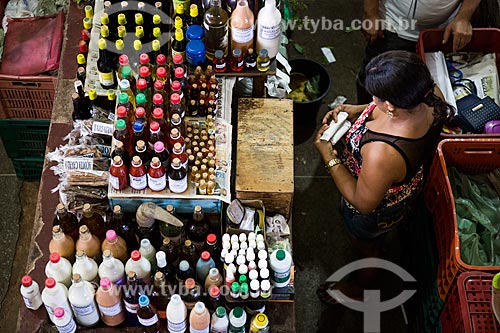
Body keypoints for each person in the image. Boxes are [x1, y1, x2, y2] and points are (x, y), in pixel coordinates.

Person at [314, 50, 454, 304]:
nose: (372, 100)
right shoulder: (429, 97)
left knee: (367, 247)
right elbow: (380, 111)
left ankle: (359, 286)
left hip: (376, 209)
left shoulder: (382, 153)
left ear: (390, 104)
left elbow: (362, 202)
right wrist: (356, 111)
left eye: (375, 97)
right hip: (404, 185)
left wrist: (328, 156)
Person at [357, 0, 482, 104]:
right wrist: (371, 14)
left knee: (416, 90)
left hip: (441, 29)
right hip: (392, 25)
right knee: (373, 82)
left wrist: (463, 17)